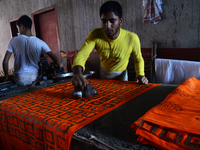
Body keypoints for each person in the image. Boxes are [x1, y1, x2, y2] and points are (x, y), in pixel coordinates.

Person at [72, 1, 148, 89]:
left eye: (112, 21)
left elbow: (138, 59)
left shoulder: (132, 38)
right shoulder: (95, 35)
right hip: (103, 77)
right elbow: (82, 54)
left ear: (121, 21)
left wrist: (140, 75)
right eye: (104, 21)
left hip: (122, 79)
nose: (107, 26)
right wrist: (77, 72)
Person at [2, 15, 63, 86]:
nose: (18, 31)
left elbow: (5, 61)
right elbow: (57, 61)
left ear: (22, 26)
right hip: (34, 77)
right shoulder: (40, 42)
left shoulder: (13, 41)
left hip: (19, 77)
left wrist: (6, 76)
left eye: (18, 28)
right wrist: (59, 65)